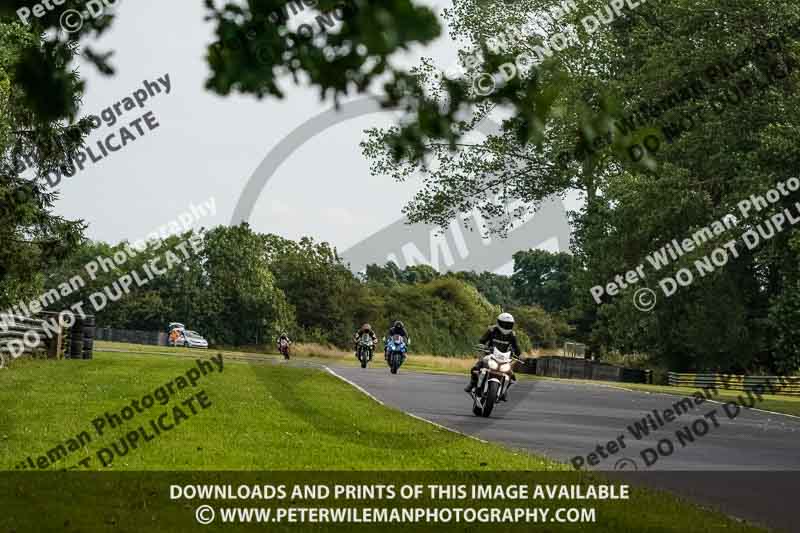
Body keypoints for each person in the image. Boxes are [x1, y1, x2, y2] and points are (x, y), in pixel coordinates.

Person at [464, 312, 520, 400]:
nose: (506, 326)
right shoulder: (492, 330)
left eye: (508, 324)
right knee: (476, 367)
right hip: (490, 355)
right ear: (499, 322)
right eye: (504, 323)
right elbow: (482, 340)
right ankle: (472, 384)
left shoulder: (512, 335)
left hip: (504, 358)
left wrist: (517, 354)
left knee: (512, 376)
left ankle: (504, 391)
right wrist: (482, 346)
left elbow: (517, 348)